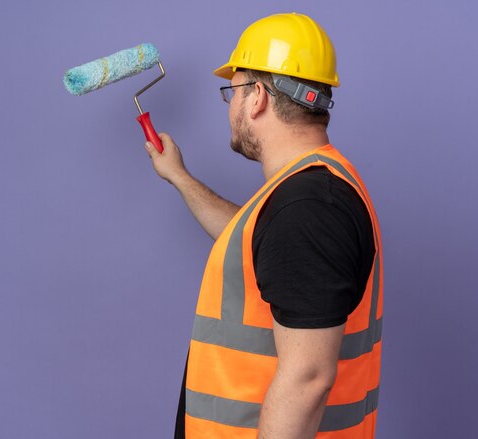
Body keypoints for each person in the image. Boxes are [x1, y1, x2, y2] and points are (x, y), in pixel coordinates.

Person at [144, 12, 383, 439]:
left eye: (231, 93)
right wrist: (179, 177)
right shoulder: (303, 195)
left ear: (257, 97)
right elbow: (254, 242)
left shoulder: (308, 208)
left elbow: (307, 379)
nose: (230, 106)